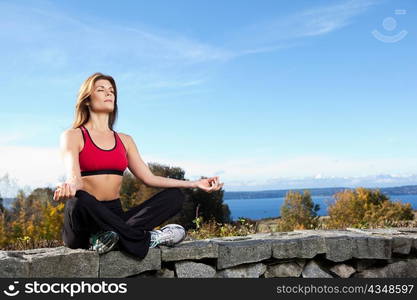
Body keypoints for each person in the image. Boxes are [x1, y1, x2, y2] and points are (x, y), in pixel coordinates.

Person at [53, 72, 224, 259]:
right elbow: (74, 178)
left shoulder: (125, 140)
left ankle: (112, 238)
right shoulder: (73, 135)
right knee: (80, 199)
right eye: (101, 90)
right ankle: (147, 238)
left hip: (115, 217)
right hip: (85, 219)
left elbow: (149, 178)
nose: (108, 94)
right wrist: (68, 187)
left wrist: (195, 183)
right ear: (87, 100)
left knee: (175, 197)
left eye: (111, 91)